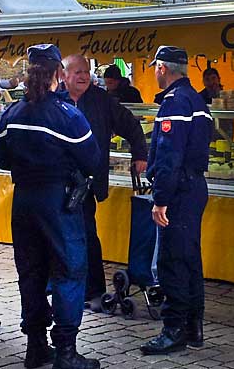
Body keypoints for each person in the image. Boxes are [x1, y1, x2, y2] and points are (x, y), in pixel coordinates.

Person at [0, 44, 101, 369]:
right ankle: (66, 352)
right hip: (58, 203)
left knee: (31, 273)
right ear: (58, 73)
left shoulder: (12, 114)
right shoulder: (68, 116)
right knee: (69, 272)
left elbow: (2, 159)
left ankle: (36, 346)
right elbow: (92, 159)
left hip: (24, 201)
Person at [140, 46, 212, 355]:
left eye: (155, 67)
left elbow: (169, 157)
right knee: (190, 260)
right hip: (194, 186)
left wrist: (161, 199)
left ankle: (174, 330)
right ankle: (193, 327)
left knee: (172, 263)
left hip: (179, 191)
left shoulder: (174, 103)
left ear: (162, 69)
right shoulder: (196, 99)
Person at [61, 54, 148, 311]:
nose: (83, 75)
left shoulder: (101, 100)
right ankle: (57, 286)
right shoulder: (54, 101)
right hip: (56, 183)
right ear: (63, 75)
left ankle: (93, 290)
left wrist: (140, 154)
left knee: (87, 234)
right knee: (58, 236)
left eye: (85, 70)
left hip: (85, 183)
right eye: (76, 71)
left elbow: (130, 124)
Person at [198, 67, 234, 141]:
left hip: (225, 135)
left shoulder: (227, 97)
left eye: (213, 78)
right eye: (207, 79)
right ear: (203, 82)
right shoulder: (199, 98)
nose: (211, 82)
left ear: (219, 79)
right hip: (206, 137)